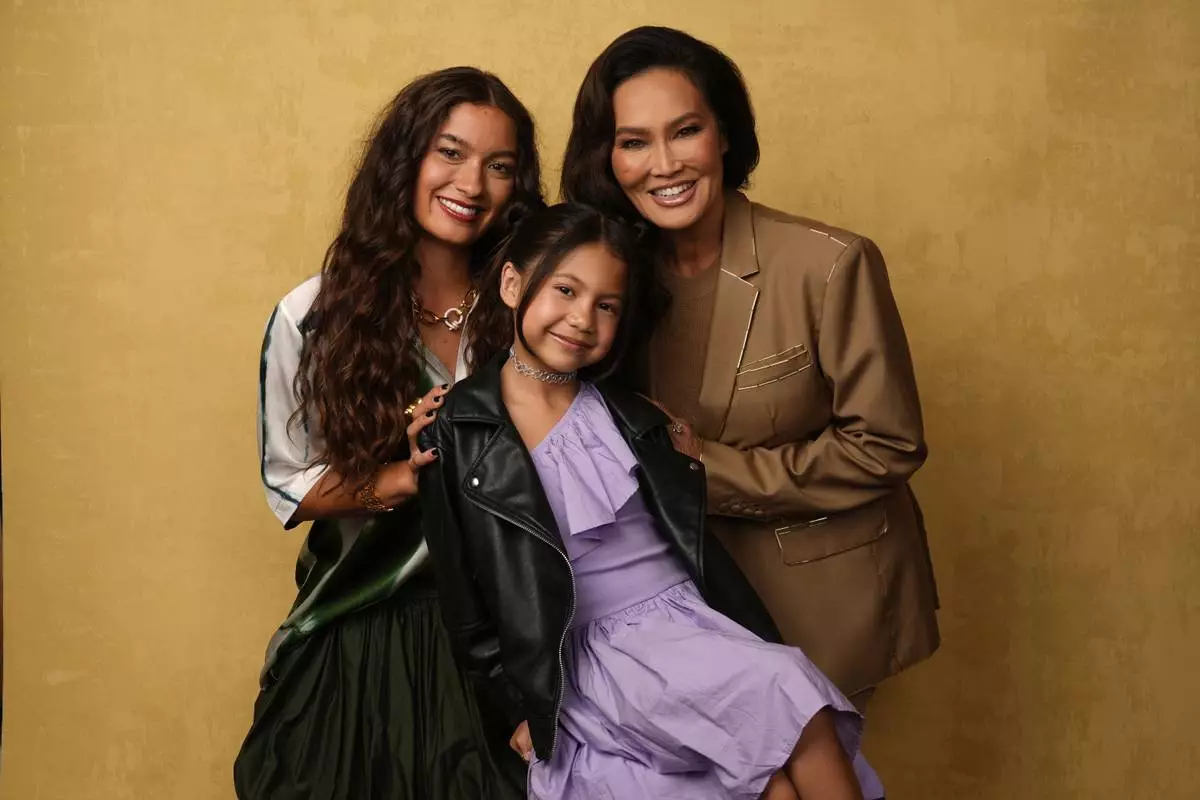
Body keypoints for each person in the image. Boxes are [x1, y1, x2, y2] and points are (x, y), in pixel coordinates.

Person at [561, 28, 940, 794]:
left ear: (725, 132)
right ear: (608, 159)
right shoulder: (611, 280)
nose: (663, 165)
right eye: (634, 142)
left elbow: (887, 445)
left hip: (820, 600)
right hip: (677, 614)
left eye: (686, 131)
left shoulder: (829, 265)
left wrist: (706, 470)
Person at [418, 202, 873, 799]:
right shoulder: (460, 428)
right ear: (511, 284)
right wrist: (517, 705)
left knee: (785, 748)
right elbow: (463, 596)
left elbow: (689, 537)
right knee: (787, 707)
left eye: (605, 306)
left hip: (690, 622)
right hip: (598, 649)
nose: (582, 318)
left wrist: (687, 456)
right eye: (565, 290)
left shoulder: (630, 415)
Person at [235, 66, 542, 800]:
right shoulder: (313, 316)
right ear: (405, 159)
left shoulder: (533, 312)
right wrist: (401, 479)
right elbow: (291, 480)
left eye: (500, 167)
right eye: (451, 152)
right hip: (358, 623)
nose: (473, 183)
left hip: (499, 635)